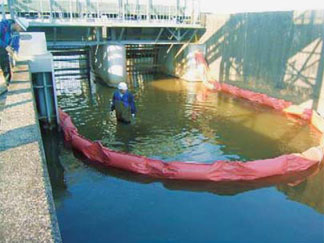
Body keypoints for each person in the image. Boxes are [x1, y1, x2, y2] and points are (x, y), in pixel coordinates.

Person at [0, 18, 29, 86]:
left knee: (5, 64)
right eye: (21, 29)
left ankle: (9, 84)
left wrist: (15, 52)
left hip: (2, 50)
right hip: (2, 47)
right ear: (17, 25)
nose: (21, 31)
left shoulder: (16, 33)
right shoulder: (3, 26)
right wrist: (6, 46)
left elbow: (16, 44)